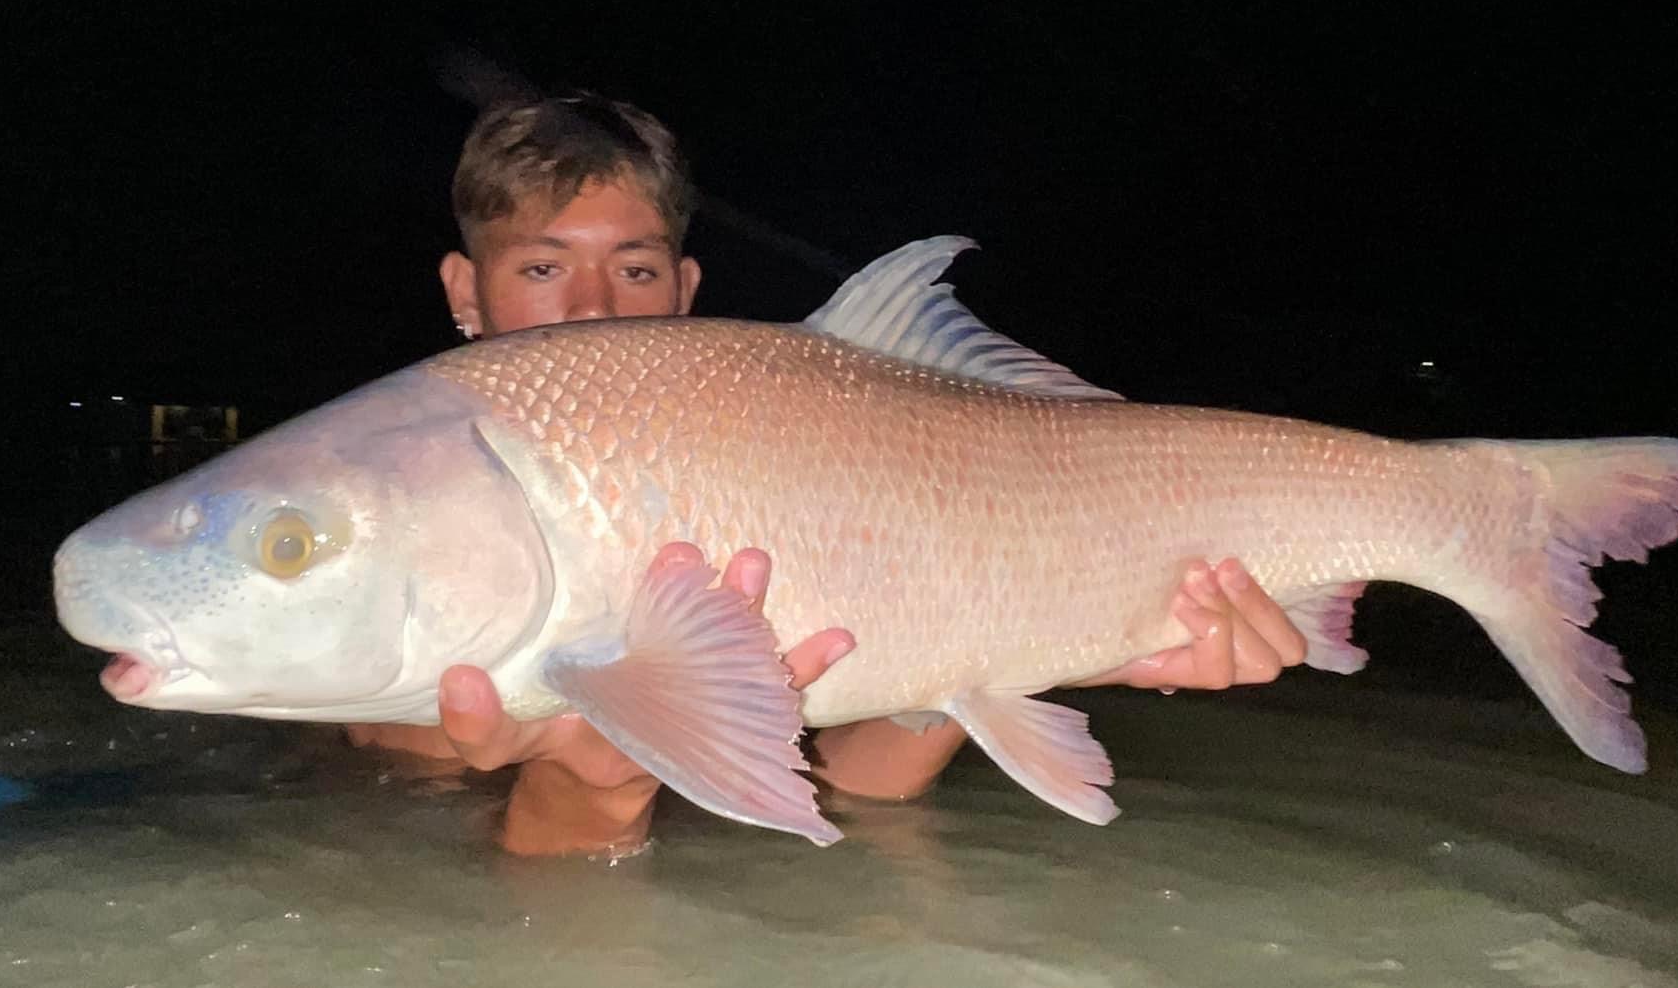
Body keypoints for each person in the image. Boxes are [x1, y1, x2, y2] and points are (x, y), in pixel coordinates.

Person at [347, 92, 1307, 856]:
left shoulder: (770, 459)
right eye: (544, 269)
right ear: (464, 291)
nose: (598, 309)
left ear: (684, 291)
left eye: (635, 272)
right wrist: (595, 791)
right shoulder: (402, 540)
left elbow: (867, 789)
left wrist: (1034, 634)